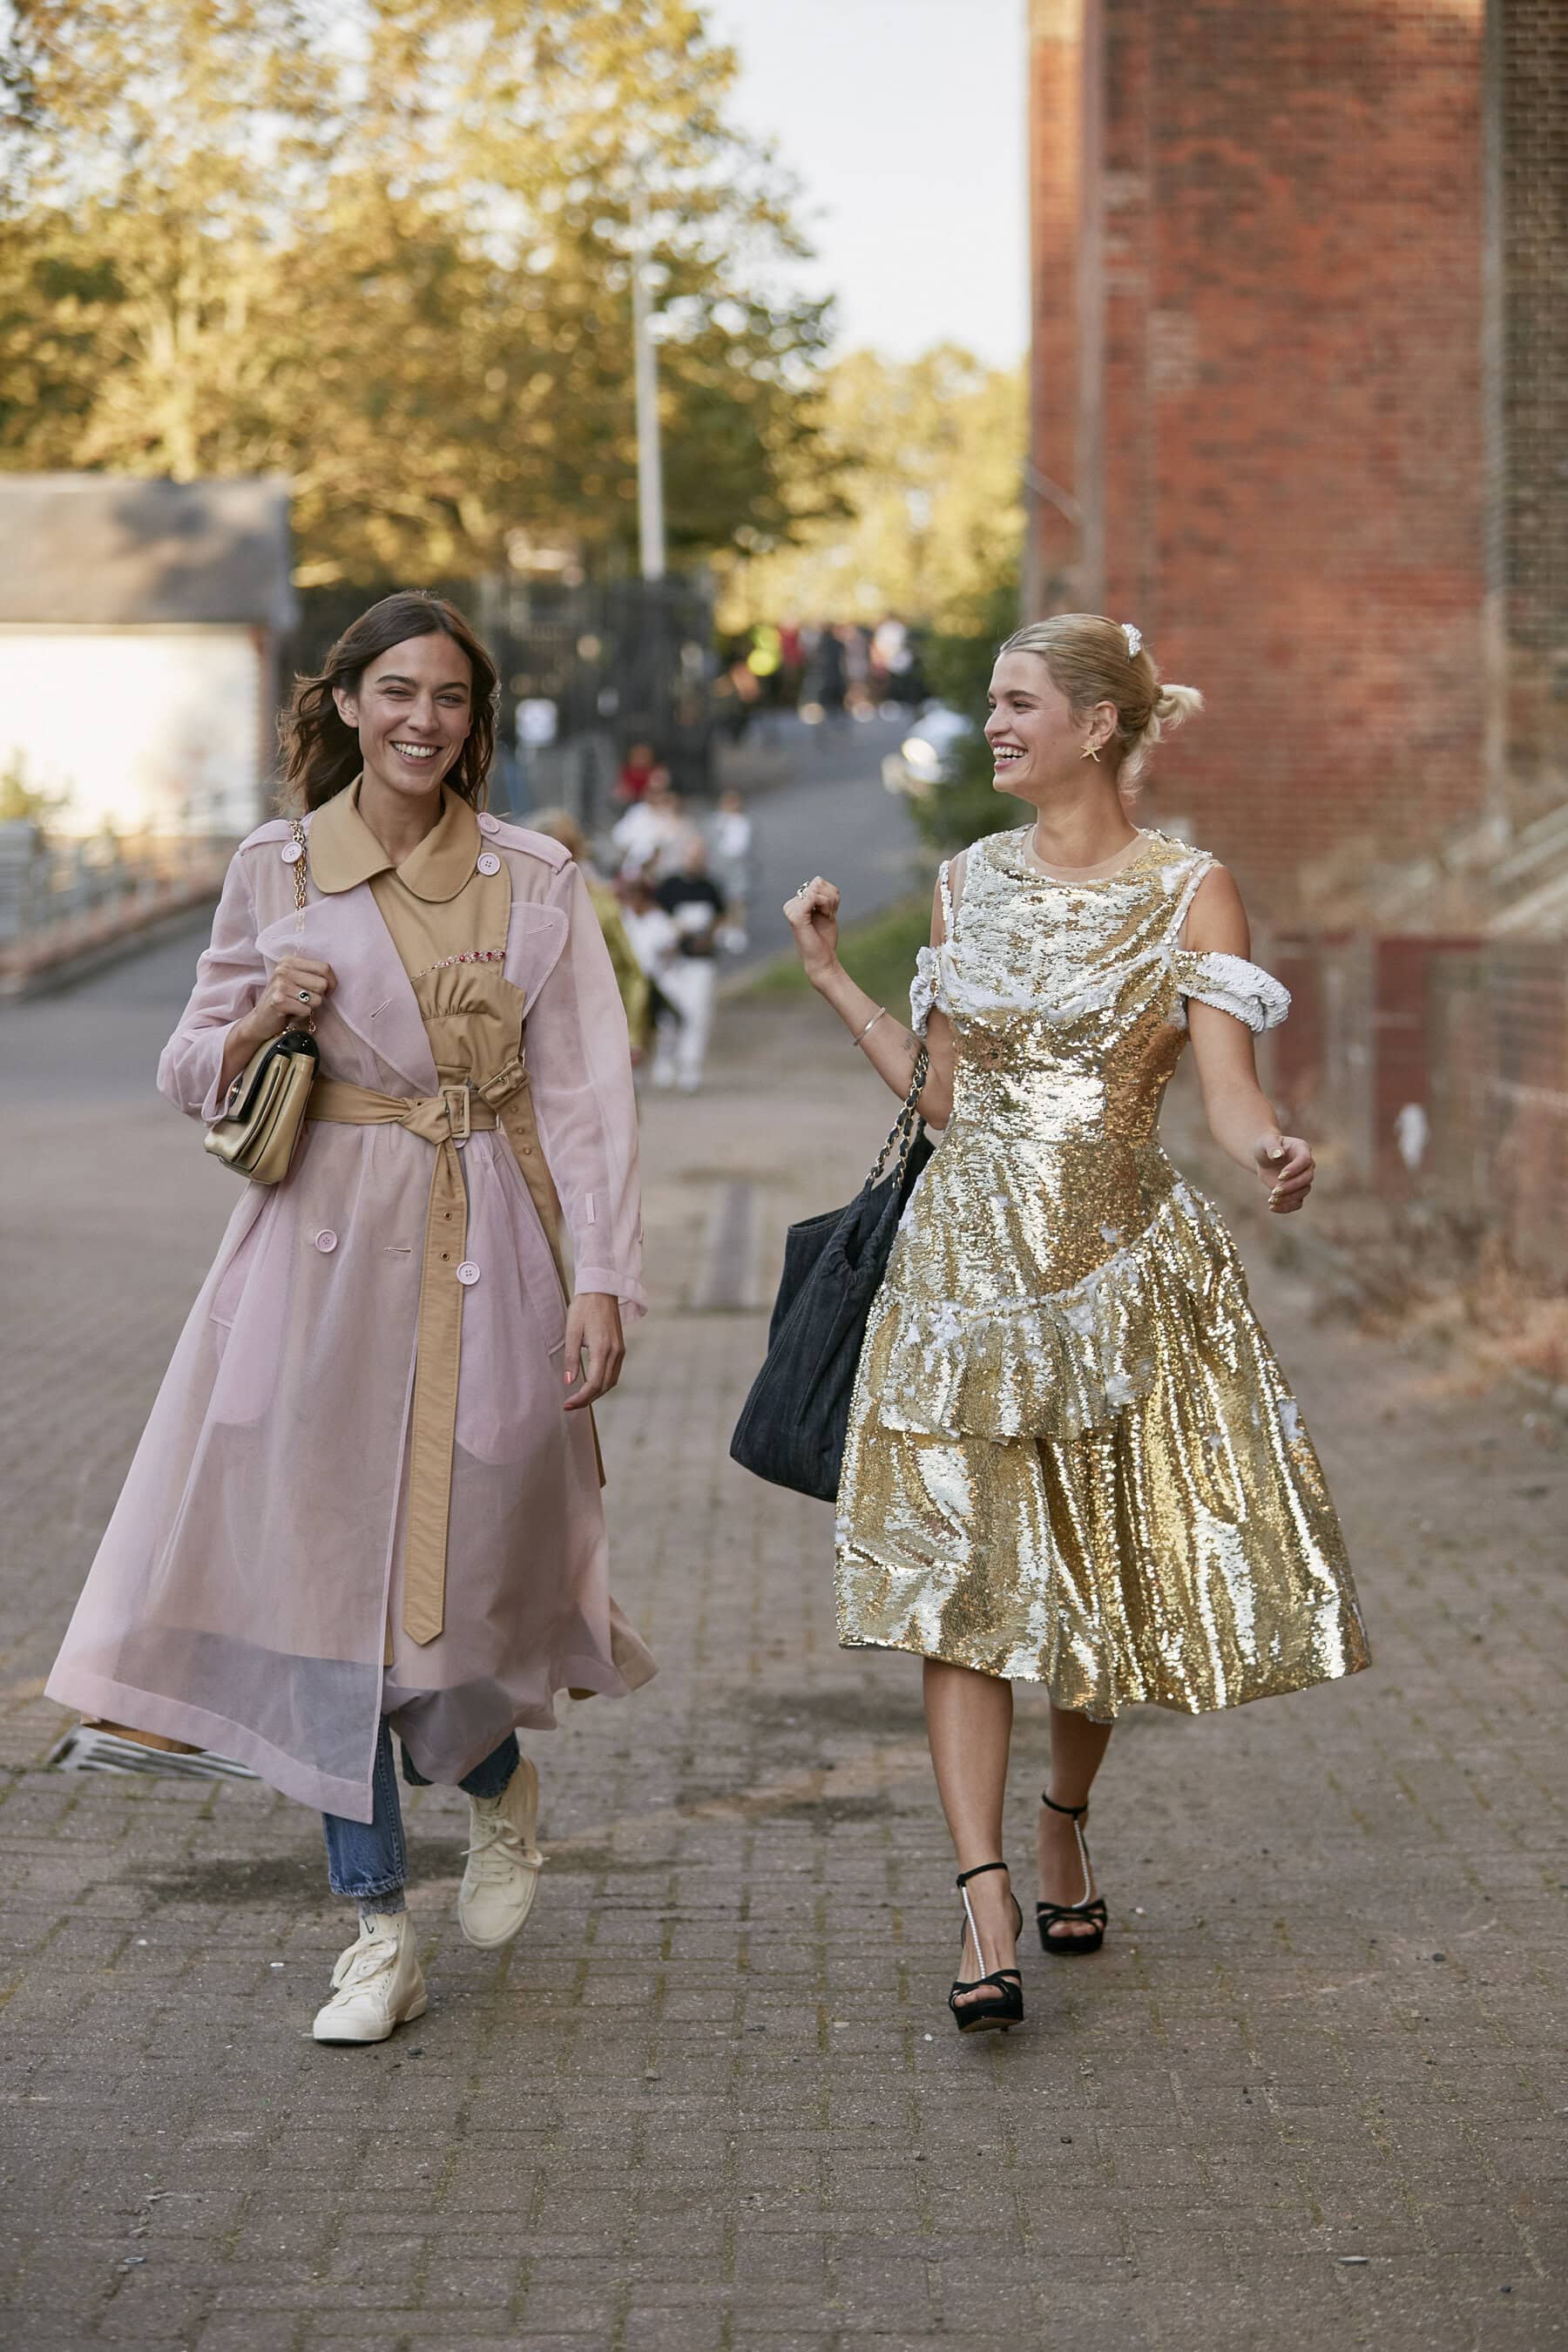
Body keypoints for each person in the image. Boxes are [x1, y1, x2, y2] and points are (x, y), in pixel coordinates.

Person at [47, 591, 655, 2045]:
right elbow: (187, 1069)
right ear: (345, 704)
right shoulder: (276, 867)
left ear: (474, 720)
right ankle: (378, 1929)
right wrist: (265, 1013)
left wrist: (604, 1280)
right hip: (310, 1269)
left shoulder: (533, 879)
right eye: (396, 692)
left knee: (456, 1603)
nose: (420, 722)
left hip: (482, 1248)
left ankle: (497, 1782)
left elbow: (588, 1097)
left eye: (448, 698)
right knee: (326, 1615)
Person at [784, 613, 1367, 2036]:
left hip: (1112, 1287)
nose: (992, 724)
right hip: (954, 1287)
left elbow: (1224, 1092)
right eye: (992, 702)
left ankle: (1060, 1820)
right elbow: (942, 1098)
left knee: (1087, 1595)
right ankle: (983, 1898)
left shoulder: (1191, 891)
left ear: (1099, 725)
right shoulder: (963, 883)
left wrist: (1271, 1146)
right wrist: (837, 981)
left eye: (1016, 702)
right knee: (957, 1590)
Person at [528, 807, 651, 1064]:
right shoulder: (521, 903)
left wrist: (632, 1036)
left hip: (596, 1031)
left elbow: (631, 971)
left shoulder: (600, 902)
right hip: (538, 1039)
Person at [652, 835, 726, 1092]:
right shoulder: (670, 886)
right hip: (673, 961)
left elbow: (721, 916)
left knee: (697, 1013)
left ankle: (690, 1066)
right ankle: (665, 1059)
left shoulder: (711, 887)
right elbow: (656, 915)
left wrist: (709, 937)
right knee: (670, 1014)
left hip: (700, 961)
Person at [610, 768, 684, 881]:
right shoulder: (636, 813)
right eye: (652, 790)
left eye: (659, 791)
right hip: (633, 875)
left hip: (661, 877)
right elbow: (620, 838)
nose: (655, 796)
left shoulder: (671, 818)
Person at [707, 786, 754, 953]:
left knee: (738, 899)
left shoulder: (744, 822)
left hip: (738, 867)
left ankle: (738, 929)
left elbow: (744, 847)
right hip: (719, 867)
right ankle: (725, 927)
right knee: (722, 898)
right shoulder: (716, 821)